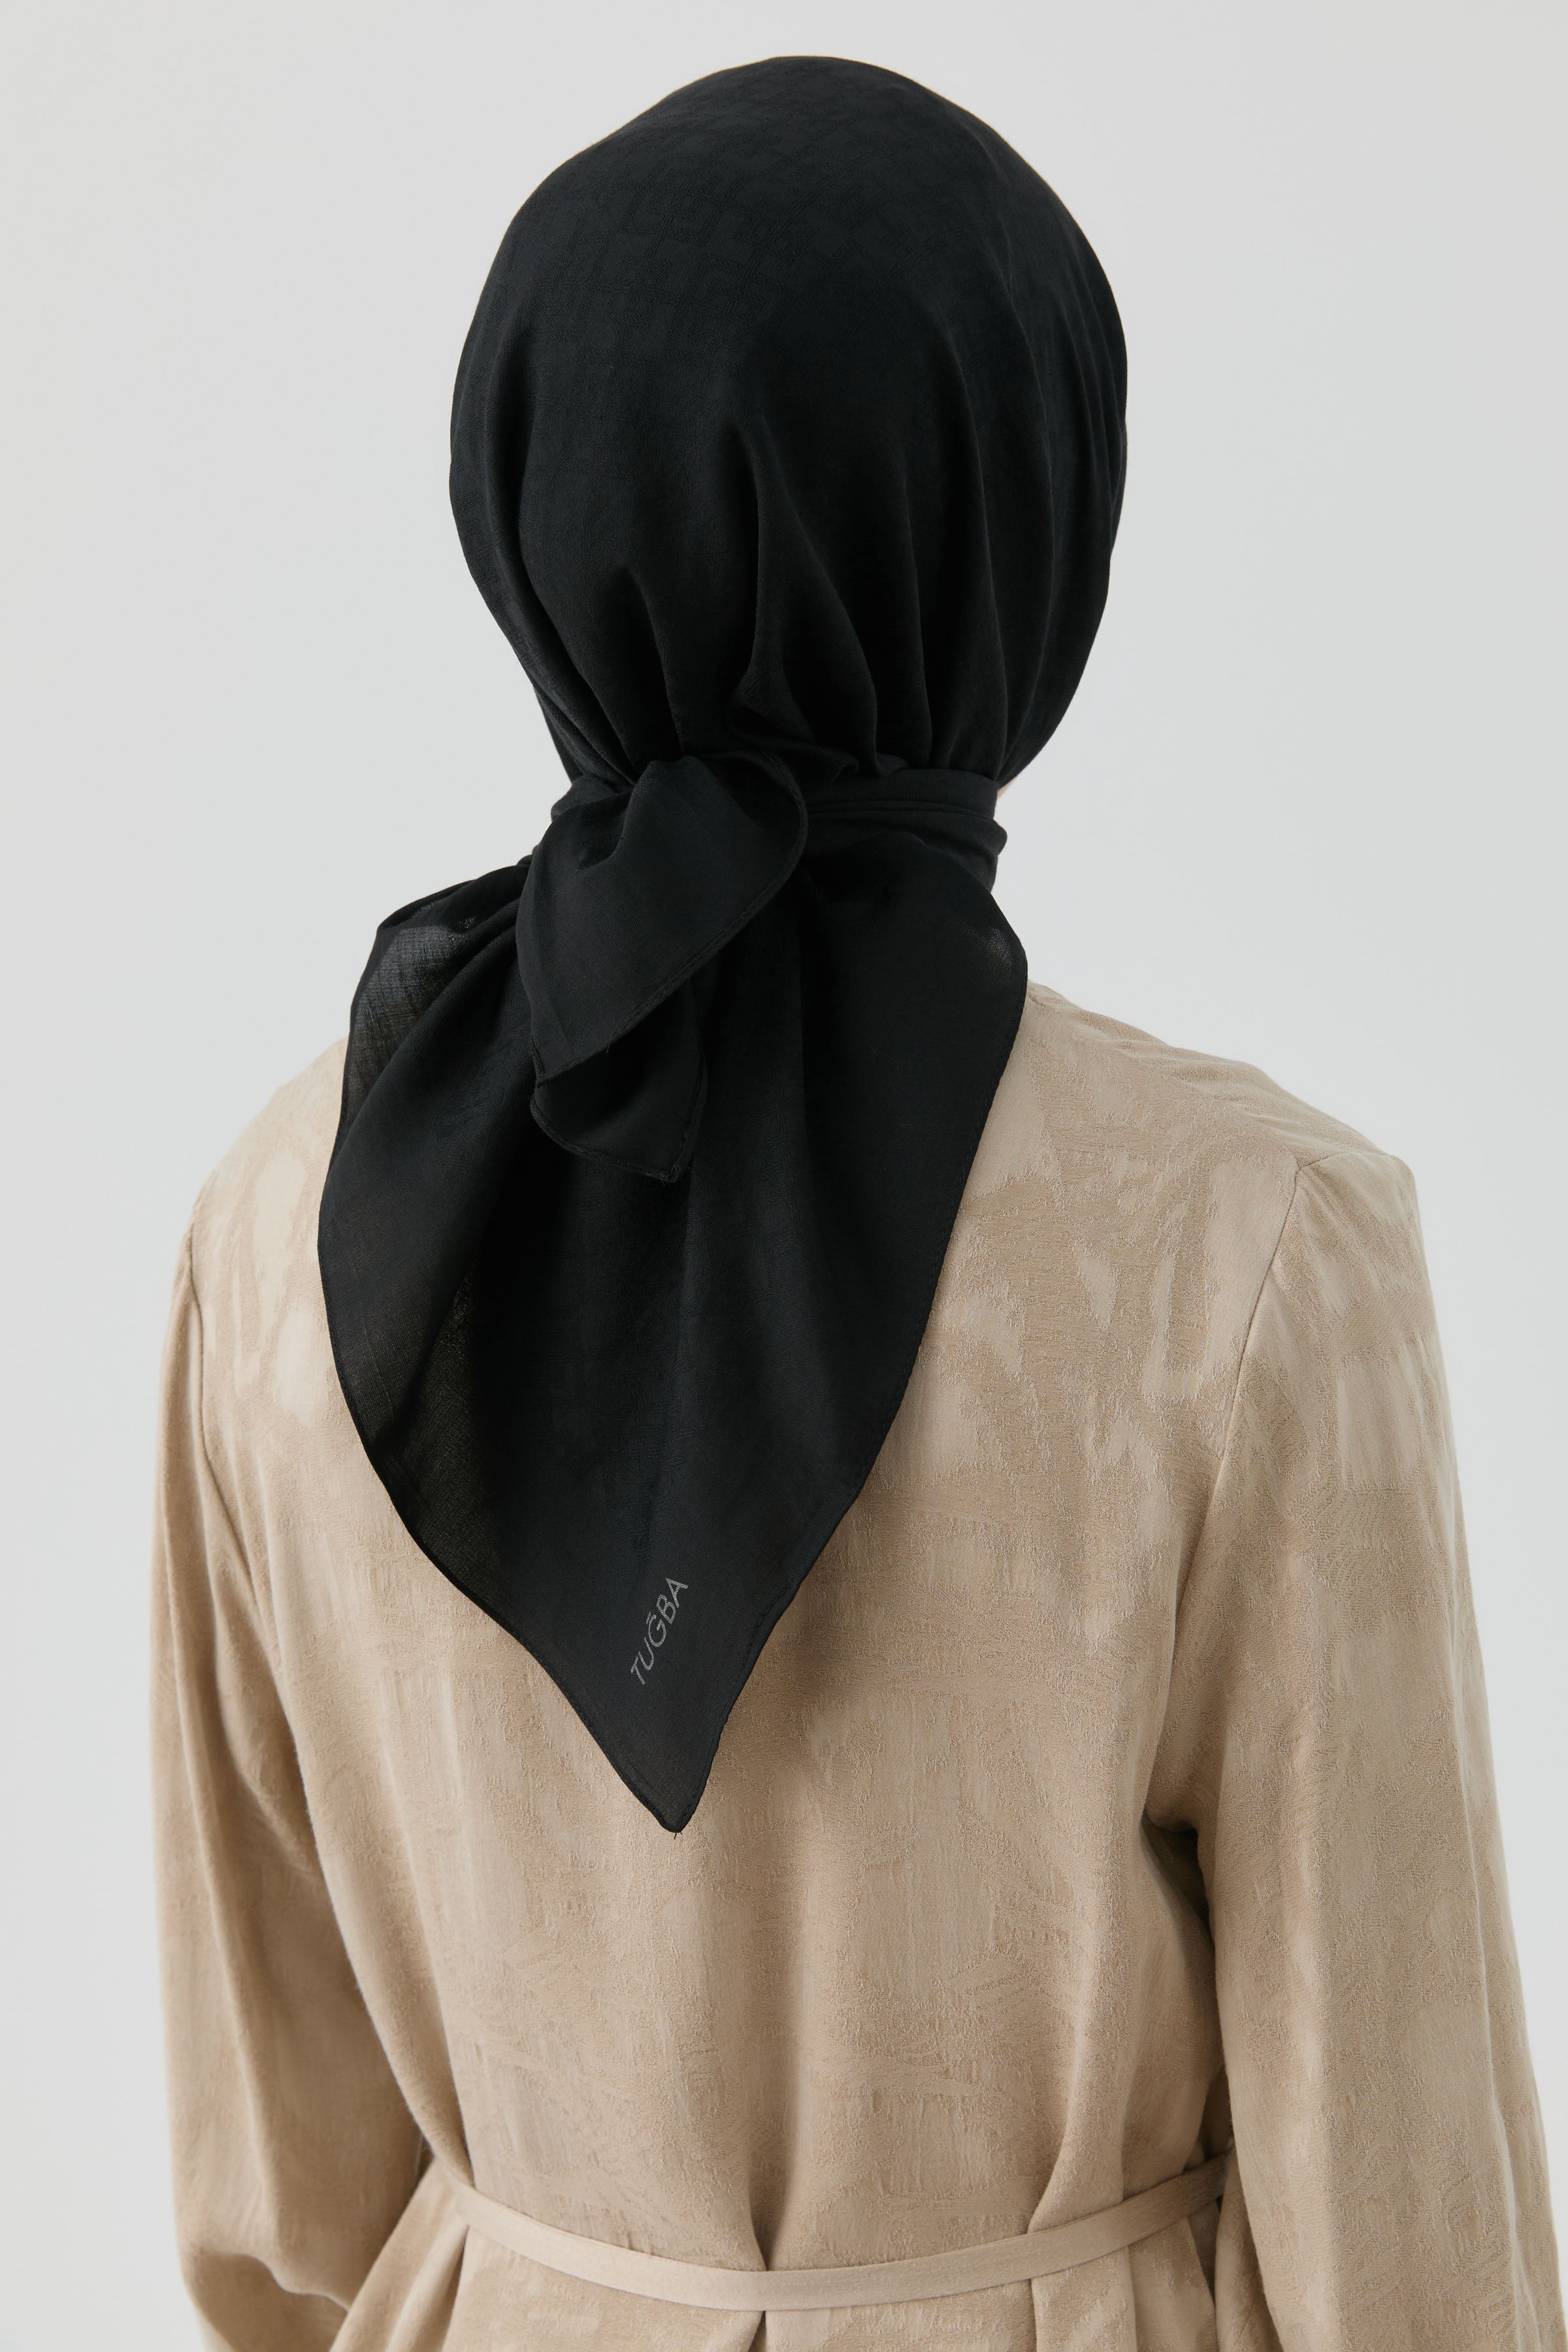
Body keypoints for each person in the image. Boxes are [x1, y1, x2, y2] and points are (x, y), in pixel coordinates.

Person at [150, 54, 1563, 2352]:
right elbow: (1408, 2238)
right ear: (1031, 530)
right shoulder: (1257, 1256)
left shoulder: (281, 1233)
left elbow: (278, 2203)